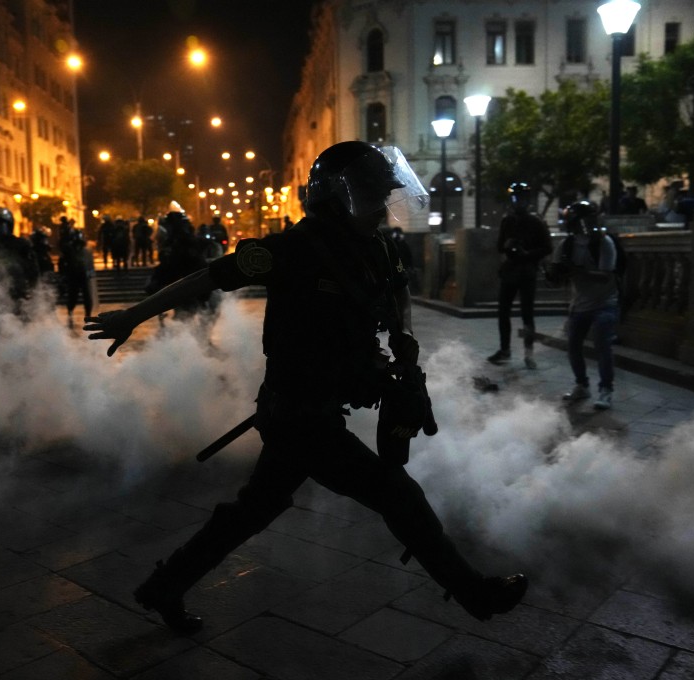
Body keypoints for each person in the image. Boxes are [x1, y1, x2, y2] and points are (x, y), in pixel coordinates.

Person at [85, 141, 527, 635]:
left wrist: (403, 333)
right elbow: (207, 278)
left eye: (385, 195)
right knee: (397, 494)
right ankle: (476, 596)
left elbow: (398, 289)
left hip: (318, 412)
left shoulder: (377, 246)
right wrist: (132, 315)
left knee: (253, 510)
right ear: (337, 197)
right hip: (296, 414)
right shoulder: (294, 248)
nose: (384, 207)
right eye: (373, 195)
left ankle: (165, 586)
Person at [549, 200, 618, 410]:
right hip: (580, 304)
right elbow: (556, 278)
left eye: (592, 218)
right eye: (585, 219)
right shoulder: (566, 245)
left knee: (602, 343)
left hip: (605, 302)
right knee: (573, 346)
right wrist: (553, 273)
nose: (590, 223)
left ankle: (606, 389)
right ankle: (582, 385)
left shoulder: (603, 243)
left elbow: (606, 276)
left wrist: (579, 271)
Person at [487, 182, 552, 369]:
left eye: (521, 197)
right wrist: (508, 245)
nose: (518, 201)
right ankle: (505, 349)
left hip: (527, 271)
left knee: (527, 314)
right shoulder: (507, 221)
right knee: (503, 312)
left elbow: (547, 247)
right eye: (515, 198)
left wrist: (527, 254)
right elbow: (499, 246)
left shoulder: (535, 221)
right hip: (510, 271)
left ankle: (528, 354)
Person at [0, 207, 39, 309]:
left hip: (16, 293)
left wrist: (31, 289)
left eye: (1, 225)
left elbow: (33, 270)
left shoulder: (21, 244)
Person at [59, 229, 96, 327]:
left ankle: (87, 315)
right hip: (73, 276)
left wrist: (91, 272)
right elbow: (62, 263)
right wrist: (63, 275)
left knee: (87, 298)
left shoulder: (86, 250)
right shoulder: (69, 249)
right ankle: (70, 312)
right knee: (73, 297)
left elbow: (90, 262)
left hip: (84, 276)